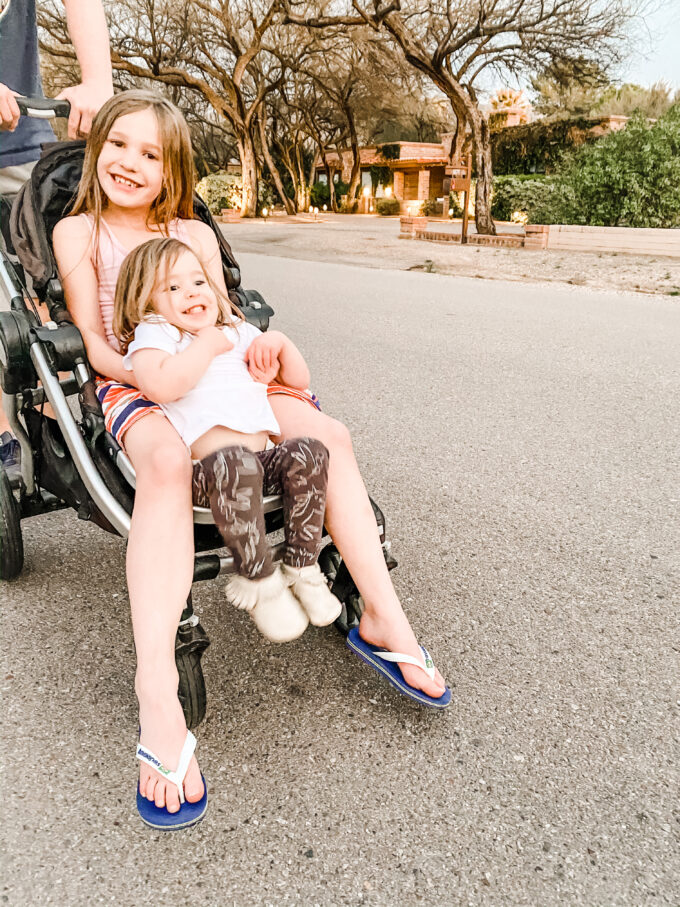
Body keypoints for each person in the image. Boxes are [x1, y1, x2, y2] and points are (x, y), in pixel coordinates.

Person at [52, 89, 448, 830]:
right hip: (135, 376)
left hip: (220, 362)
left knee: (330, 436)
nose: (130, 164)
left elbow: (228, 316)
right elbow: (95, 342)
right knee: (167, 468)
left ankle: (385, 618)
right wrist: (157, 373)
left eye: (151, 153)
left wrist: (253, 354)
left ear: (173, 169)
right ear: (96, 145)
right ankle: (156, 692)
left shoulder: (190, 229)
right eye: (119, 145)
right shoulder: (80, 231)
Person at [115, 236, 342, 646]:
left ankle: (302, 567)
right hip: (208, 475)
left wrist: (281, 345)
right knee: (235, 461)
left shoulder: (235, 330)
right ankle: (259, 583)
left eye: (198, 282)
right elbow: (161, 386)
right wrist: (203, 346)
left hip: (264, 462)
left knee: (311, 451)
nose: (190, 292)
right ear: (145, 302)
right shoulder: (157, 335)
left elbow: (298, 382)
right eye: (171, 287)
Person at [0, 0, 113, 471]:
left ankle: (52, 423)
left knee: (47, 286)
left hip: (19, 140)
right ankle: (3, 433)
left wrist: (98, 80)